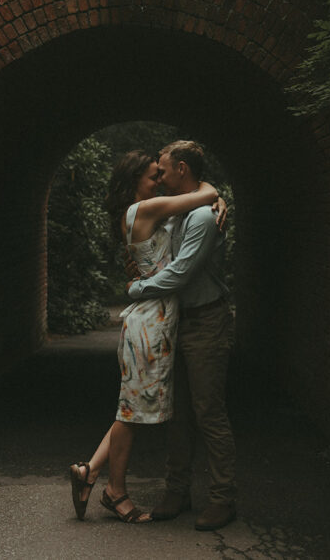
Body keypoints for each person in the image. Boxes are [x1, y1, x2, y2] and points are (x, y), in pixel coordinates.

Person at [68, 149, 222, 524]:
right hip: (150, 320)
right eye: (154, 176)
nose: (159, 181)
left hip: (156, 318)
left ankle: (90, 472)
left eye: (162, 174)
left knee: (131, 408)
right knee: (131, 413)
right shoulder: (143, 211)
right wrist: (218, 196)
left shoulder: (148, 212)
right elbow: (204, 193)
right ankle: (115, 493)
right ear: (134, 179)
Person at [126, 140, 237, 532]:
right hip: (175, 321)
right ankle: (177, 491)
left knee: (208, 411)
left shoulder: (204, 218)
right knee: (177, 412)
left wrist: (137, 290)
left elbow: (181, 273)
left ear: (183, 169)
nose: (159, 174)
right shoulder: (180, 211)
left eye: (164, 168)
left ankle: (223, 499)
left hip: (206, 321)